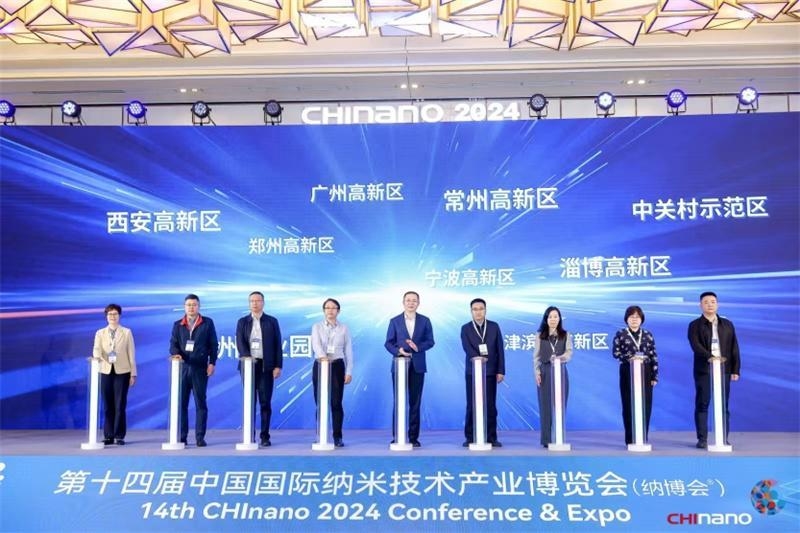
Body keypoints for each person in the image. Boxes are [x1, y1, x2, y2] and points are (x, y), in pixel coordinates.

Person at [688, 291, 741, 449]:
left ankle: (723, 437)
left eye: (713, 302)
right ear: (700, 305)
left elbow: (734, 348)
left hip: (724, 369)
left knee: (723, 404)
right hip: (704, 369)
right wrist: (711, 357)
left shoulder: (727, 324)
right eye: (706, 302)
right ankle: (702, 439)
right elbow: (695, 346)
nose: (710, 305)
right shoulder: (694, 325)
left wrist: (735, 369)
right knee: (702, 403)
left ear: (717, 304)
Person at [384, 291, 435, 447]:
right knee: (398, 401)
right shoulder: (394, 321)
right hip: (399, 364)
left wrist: (417, 347)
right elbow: (388, 343)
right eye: (408, 300)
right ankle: (397, 435)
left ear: (418, 303)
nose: (411, 303)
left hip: (418, 366)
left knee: (415, 402)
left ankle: (413, 437)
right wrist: (398, 351)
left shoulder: (425, 320)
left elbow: (431, 341)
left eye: (414, 300)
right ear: (403, 302)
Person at [170, 294, 218, 447]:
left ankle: (200, 437)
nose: (191, 307)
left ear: (199, 306)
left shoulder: (207, 323)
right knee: (181, 404)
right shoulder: (178, 324)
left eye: (194, 305)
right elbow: (173, 344)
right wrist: (176, 354)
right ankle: (182, 436)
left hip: (200, 368)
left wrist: (212, 363)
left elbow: (213, 344)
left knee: (200, 403)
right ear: (184, 307)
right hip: (182, 368)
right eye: (188, 305)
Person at [235, 291, 283, 447]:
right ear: (249, 303)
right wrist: (247, 358)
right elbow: (240, 342)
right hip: (248, 366)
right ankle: (249, 435)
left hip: (266, 366)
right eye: (252, 301)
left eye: (258, 300)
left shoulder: (271, 321)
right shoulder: (243, 322)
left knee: (265, 402)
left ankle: (265, 436)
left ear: (263, 302)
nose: (255, 303)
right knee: (250, 401)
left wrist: (278, 365)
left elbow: (277, 344)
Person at [460, 298, 505, 447]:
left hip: (490, 371)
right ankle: (470, 437)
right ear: (471, 311)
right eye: (475, 309)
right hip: (472, 372)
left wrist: (500, 370)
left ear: (485, 310)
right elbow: (467, 347)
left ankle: (491, 437)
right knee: (471, 404)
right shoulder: (465, 328)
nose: (478, 312)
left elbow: (500, 349)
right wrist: (477, 358)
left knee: (490, 405)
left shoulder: (494, 326)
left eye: (481, 309)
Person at [612, 305, 658, 446]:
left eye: (637, 317)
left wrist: (654, 376)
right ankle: (630, 439)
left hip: (646, 371)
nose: (634, 319)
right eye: (631, 317)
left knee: (646, 405)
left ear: (642, 319)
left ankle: (643, 437)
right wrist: (630, 358)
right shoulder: (621, 334)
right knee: (628, 404)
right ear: (626, 319)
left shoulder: (648, 335)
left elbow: (653, 355)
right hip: (628, 370)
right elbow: (615, 353)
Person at [310, 298, 353, 448]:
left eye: (333, 308)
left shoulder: (344, 328)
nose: (330, 310)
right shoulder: (317, 326)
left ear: (338, 311)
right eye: (327, 308)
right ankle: (320, 435)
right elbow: (316, 344)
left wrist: (349, 371)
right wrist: (323, 358)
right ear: (324, 311)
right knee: (320, 402)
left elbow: (348, 350)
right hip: (320, 366)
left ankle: (337, 436)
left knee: (336, 402)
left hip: (337, 366)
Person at [92, 303, 137, 445]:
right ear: (106, 316)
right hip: (105, 370)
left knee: (120, 405)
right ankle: (108, 435)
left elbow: (131, 354)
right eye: (110, 314)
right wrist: (98, 357)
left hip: (122, 371)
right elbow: (96, 349)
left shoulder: (127, 332)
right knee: (107, 405)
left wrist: (133, 373)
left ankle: (119, 435)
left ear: (119, 316)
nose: (112, 316)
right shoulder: (100, 333)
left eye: (115, 314)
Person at [533, 306, 573, 448]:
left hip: (560, 370)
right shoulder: (540, 335)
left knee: (560, 405)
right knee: (545, 406)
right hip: (545, 371)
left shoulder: (565, 334)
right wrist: (537, 372)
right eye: (550, 317)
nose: (553, 319)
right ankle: (546, 439)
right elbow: (536, 356)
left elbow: (569, 352)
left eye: (556, 316)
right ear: (546, 319)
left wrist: (560, 358)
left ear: (559, 319)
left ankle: (559, 436)